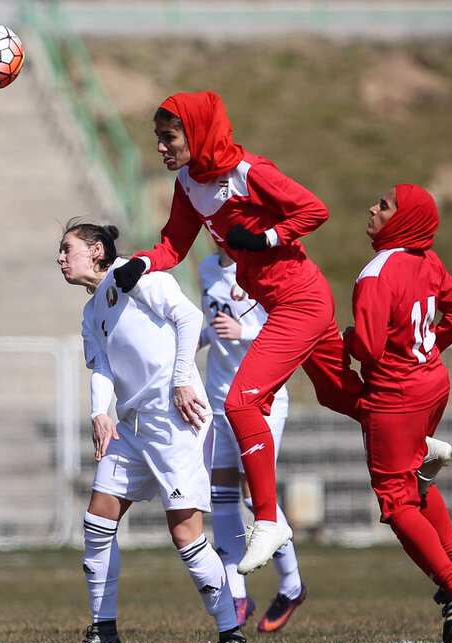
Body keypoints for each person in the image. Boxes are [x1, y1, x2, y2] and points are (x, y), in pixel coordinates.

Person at [112, 90, 368, 575]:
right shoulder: (188, 181)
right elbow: (174, 243)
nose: (161, 148)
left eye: (169, 138)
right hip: (281, 302)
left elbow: (315, 210)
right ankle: (416, 441)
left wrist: (267, 237)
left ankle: (269, 521)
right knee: (339, 395)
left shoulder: (248, 172)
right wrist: (140, 264)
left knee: (239, 404)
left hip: (301, 299)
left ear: (198, 134)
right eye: (157, 139)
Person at [57, 219, 250, 643]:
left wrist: (183, 380)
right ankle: (104, 631)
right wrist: (98, 414)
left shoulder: (135, 275)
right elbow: (102, 368)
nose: (60, 258)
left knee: (186, 535)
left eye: (68, 248)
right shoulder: (91, 312)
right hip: (131, 427)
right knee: (97, 522)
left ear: (98, 250)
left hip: (175, 421)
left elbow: (189, 316)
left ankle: (231, 634)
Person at [342, 185, 452, 643]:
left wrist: (342, 340)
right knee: (418, 479)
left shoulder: (378, 272)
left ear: (404, 219)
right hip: (432, 385)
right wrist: (425, 351)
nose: (373, 207)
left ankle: (450, 580)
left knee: (394, 499)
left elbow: (367, 346)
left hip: (396, 397)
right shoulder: (428, 259)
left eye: (384, 204)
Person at [198, 244, 306, 633]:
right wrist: (200, 337)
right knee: (221, 498)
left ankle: (292, 585)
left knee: (253, 495)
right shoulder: (207, 268)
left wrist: (242, 331)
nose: (218, 233)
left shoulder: (264, 271)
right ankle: (238, 595)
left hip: (262, 398)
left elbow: (292, 327)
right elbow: (213, 323)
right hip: (217, 399)